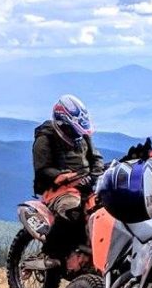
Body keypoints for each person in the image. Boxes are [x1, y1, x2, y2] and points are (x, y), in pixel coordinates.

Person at [32, 94, 105, 257]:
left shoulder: (83, 135)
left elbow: (97, 158)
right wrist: (61, 176)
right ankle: (50, 253)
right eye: (72, 129)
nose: (76, 133)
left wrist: (95, 174)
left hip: (87, 184)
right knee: (72, 211)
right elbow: (42, 169)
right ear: (62, 123)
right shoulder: (45, 138)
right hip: (59, 188)